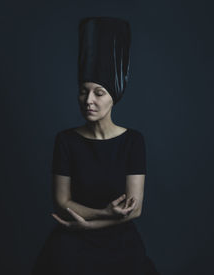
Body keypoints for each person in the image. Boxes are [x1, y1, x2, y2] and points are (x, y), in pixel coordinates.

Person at [31, 17, 160, 275]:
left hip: (118, 241)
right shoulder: (66, 140)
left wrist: (90, 225)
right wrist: (103, 212)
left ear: (114, 96)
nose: (88, 100)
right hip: (72, 240)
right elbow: (61, 202)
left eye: (98, 92)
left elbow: (134, 211)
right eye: (83, 91)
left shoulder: (133, 141)